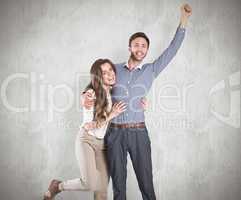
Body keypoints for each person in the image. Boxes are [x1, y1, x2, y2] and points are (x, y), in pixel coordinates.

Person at [83, 4, 192, 200]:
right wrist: (87, 93)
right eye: (136, 45)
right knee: (118, 186)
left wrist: (183, 20)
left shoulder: (151, 70)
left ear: (147, 50)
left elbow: (172, 50)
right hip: (114, 133)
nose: (140, 48)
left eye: (144, 46)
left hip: (139, 133)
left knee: (146, 184)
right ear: (129, 47)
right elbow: (96, 81)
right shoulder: (114, 69)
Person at [43, 59, 147, 200]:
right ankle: (58, 186)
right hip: (87, 140)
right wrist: (111, 115)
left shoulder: (112, 91)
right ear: (98, 77)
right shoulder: (91, 94)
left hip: (103, 145)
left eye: (111, 70)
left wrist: (142, 104)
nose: (110, 74)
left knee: (102, 190)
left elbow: (128, 104)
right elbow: (89, 125)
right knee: (90, 183)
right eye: (104, 73)